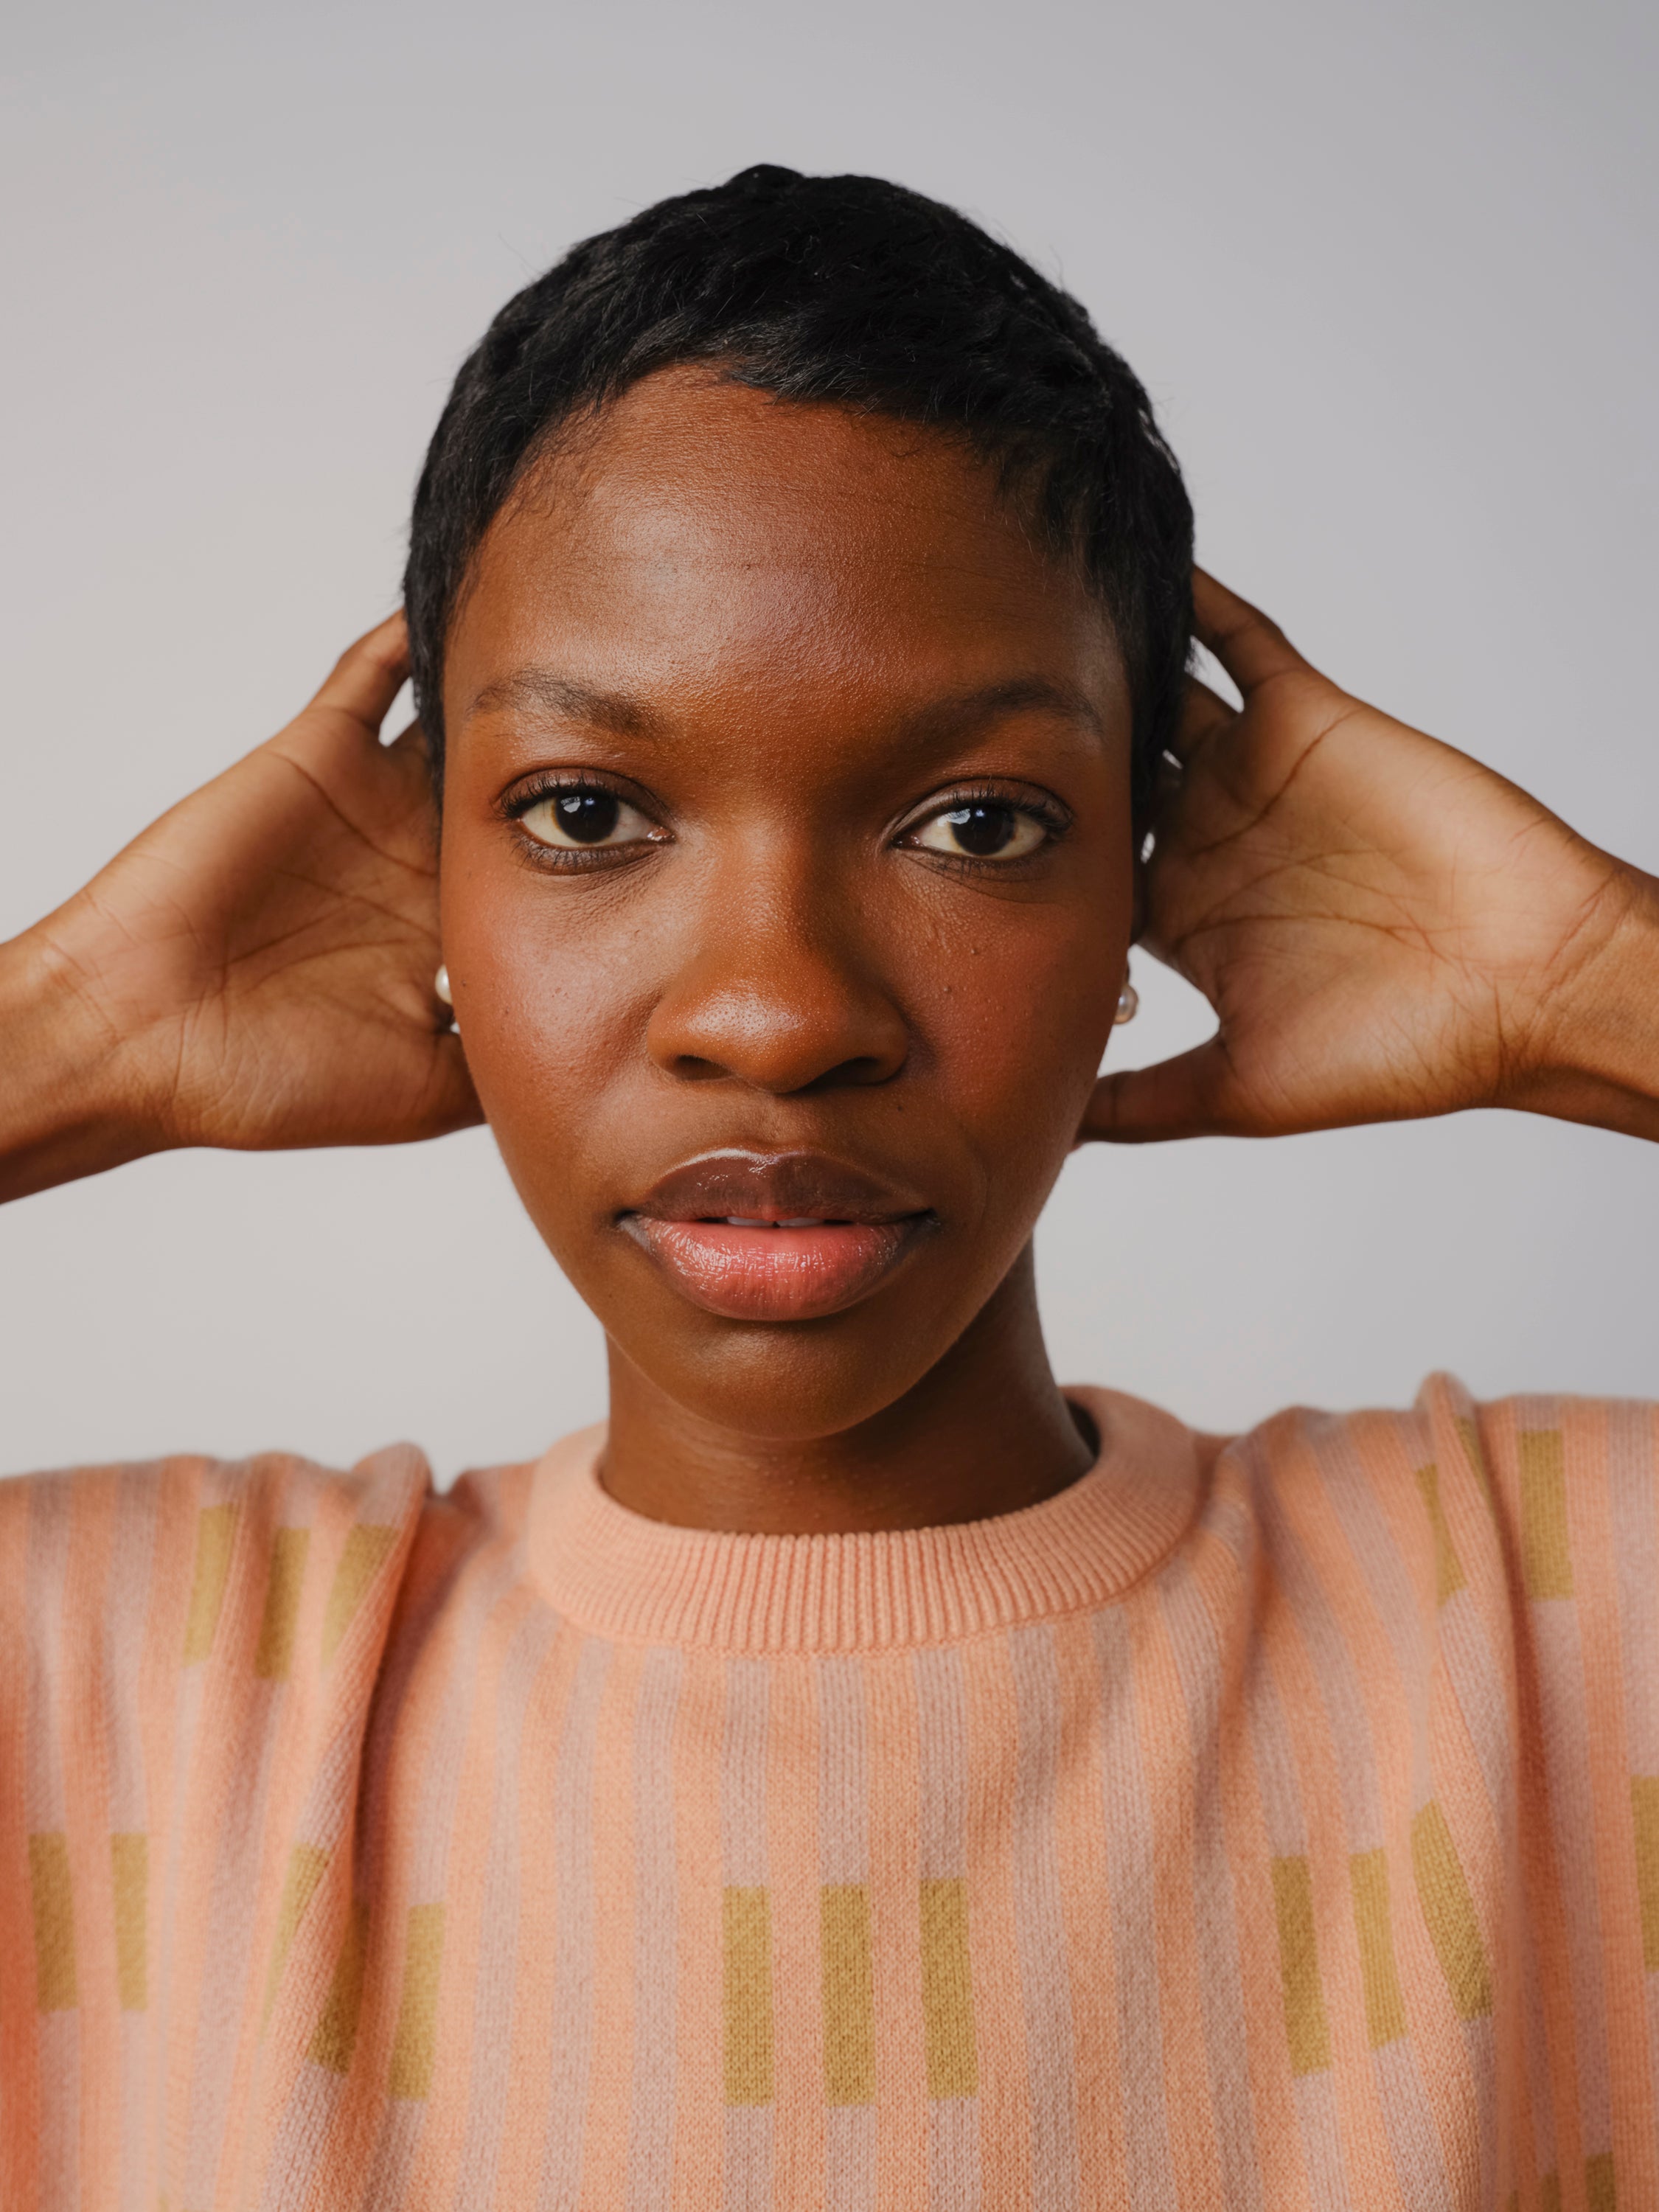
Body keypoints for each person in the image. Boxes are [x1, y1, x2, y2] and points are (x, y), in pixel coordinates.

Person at [2, 165, 1655, 2212]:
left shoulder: (1568, 1626)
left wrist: (1600, 987)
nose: (778, 1014)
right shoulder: (105, 1691)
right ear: (426, 874)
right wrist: (58, 1032)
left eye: (975, 820)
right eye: (586, 811)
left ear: (1145, 874)